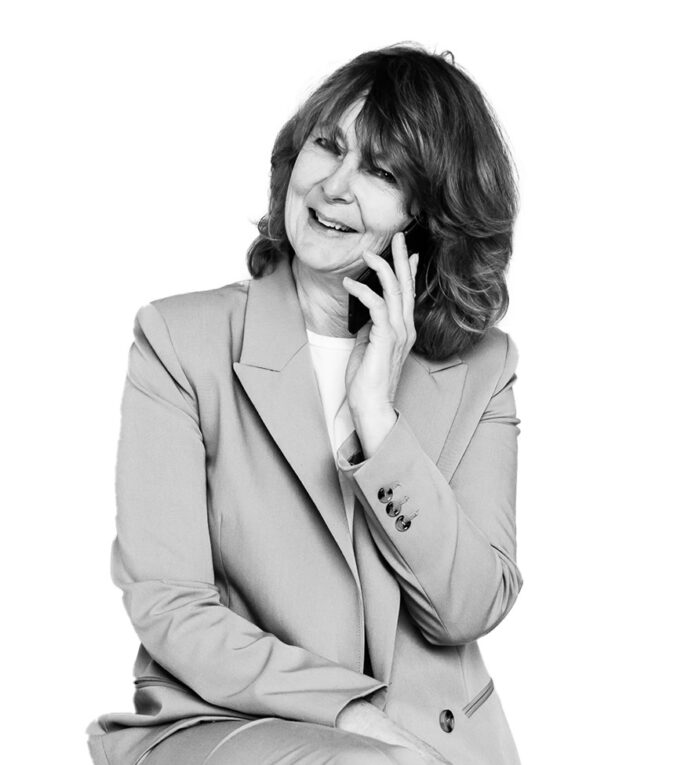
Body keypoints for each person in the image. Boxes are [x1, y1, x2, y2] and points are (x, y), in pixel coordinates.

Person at [87, 42, 524, 765]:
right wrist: (352, 717)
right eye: (328, 146)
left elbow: (468, 608)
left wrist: (378, 421)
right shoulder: (180, 340)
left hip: (436, 738)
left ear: (427, 215)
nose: (335, 186)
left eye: (382, 172)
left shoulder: (483, 367)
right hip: (229, 723)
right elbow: (170, 607)